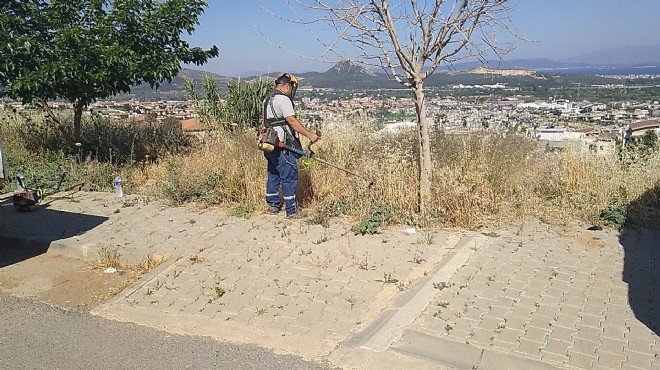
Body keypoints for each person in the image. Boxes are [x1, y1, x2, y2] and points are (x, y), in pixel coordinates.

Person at [262, 73, 319, 219]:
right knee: (290, 174)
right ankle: (292, 210)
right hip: (282, 144)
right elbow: (292, 121)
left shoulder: (267, 100)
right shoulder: (283, 99)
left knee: (274, 173)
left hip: (269, 143)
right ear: (288, 86)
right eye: (291, 88)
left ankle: (273, 204)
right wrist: (310, 134)